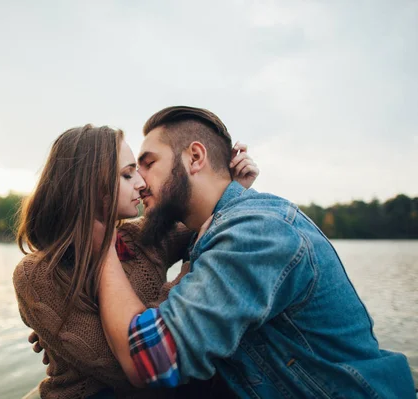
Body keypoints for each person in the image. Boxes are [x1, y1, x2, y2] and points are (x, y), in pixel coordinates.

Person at [97, 106, 416, 398]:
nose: (138, 181)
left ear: (195, 157)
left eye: (149, 164)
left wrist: (100, 242)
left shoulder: (257, 231)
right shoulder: (219, 231)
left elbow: (151, 360)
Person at [13, 124, 258, 399]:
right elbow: (131, 371)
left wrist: (230, 185)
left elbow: (203, 220)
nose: (141, 184)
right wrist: (192, 270)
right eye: (127, 175)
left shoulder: (137, 237)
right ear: (90, 184)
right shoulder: (37, 274)